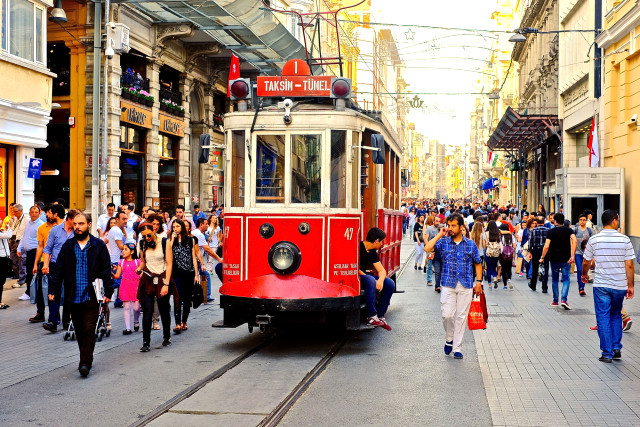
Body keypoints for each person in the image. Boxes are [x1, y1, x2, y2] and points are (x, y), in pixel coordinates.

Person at [48, 212, 114, 377]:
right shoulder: (68, 246)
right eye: (75, 224)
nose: (77, 227)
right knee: (79, 330)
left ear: (89, 224)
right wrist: (53, 290)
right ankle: (85, 357)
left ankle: (85, 363)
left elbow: (106, 269)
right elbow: (58, 270)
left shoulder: (98, 245)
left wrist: (108, 291)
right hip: (73, 296)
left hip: (91, 295)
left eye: (81, 224)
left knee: (89, 329)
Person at [425, 213, 483, 360]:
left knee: (461, 316)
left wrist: (479, 282)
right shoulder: (443, 242)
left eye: (453, 226)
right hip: (448, 283)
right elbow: (427, 248)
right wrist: (439, 235)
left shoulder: (470, 244)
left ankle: (457, 347)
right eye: (448, 225)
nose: (450, 228)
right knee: (447, 315)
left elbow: (477, 263)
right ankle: (449, 338)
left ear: (461, 227)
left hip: (466, 284)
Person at [582, 209, 635, 363]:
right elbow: (630, 265)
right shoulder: (625, 240)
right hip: (619, 285)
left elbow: (586, 261)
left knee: (603, 317)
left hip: (601, 285)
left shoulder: (594, 240)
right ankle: (616, 347)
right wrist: (630, 286)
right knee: (616, 315)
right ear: (614, 220)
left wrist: (584, 274)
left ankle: (607, 353)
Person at [136, 223, 175, 351]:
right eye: (143, 236)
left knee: (163, 310)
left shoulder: (164, 242)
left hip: (162, 279)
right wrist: (139, 268)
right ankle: (146, 343)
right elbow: (143, 261)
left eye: (148, 235)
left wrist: (166, 284)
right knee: (147, 311)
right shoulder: (142, 244)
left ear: (154, 230)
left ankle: (166, 337)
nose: (147, 238)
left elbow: (169, 264)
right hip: (148, 279)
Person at [41, 209, 77, 332]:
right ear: (70, 219)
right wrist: (45, 264)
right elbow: (47, 249)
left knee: (69, 293)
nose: (77, 224)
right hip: (55, 264)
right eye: (75, 222)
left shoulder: (77, 232)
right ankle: (53, 321)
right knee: (53, 292)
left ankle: (67, 320)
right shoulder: (55, 230)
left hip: (71, 266)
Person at [29, 204, 64, 324]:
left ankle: (61, 318)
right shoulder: (42, 228)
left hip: (60, 264)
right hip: (46, 263)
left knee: (59, 291)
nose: (46, 215)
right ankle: (45, 315)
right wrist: (36, 264)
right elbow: (41, 247)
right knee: (45, 290)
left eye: (48, 213)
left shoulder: (63, 228)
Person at [359, 227, 395, 330]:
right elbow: (355, 268)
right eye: (381, 242)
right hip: (355, 275)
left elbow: (382, 270)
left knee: (389, 283)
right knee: (370, 280)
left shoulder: (372, 251)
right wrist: (370, 279)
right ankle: (371, 316)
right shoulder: (358, 247)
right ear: (376, 241)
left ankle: (380, 316)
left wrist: (380, 280)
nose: (382, 244)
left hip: (364, 276)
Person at [168, 219, 199, 333]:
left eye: (177, 226)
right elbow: (168, 253)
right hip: (176, 273)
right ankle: (177, 323)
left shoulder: (191, 240)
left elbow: (193, 257)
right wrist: (172, 240)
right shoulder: (171, 240)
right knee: (177, 297)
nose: (175, 229)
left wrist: (196, 274)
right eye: (174, 227)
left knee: (187, 298)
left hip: (189, 272)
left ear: (182, 227)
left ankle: (184, 321)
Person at [540, 213, 577, 309]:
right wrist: (572, 255)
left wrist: (542, 257)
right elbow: (575, 240)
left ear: (555, 221)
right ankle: (564, 299)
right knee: (566, 279)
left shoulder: (551, 231)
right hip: (566, 258)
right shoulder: (569, 230)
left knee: (555, 279)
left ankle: (555, 300)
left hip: (554, 258)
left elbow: (546, 246)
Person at [16, 206, 44, 301]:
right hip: (28, 252)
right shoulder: (28, 223)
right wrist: (19, 248)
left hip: (35, 251)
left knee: (32, 273)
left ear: (39, 213)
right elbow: (24, 236)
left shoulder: (41, 224)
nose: (34, 214)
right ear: (29, 213)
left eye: (36, 212)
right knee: (29, 273)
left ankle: (30, 293)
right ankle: (30, 292)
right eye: (32, 212)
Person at [112, 243, 141, 335]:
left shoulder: (138, 262)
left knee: (136, 307)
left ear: (132, 252)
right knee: (126, 307)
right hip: (125, 285)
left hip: (136, 285)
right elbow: (117, 276)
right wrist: (112, 273)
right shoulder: (121, 262)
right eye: (123, 249)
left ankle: (136, 321)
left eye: (125, 249)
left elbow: (141, 274)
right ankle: (128, 328)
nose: (123, 251)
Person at [107, 211, 127, 310]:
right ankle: (104, 294)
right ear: (117, 220)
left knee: (120, 281)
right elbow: (120, 246)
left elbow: (106, 241)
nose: (125, 221)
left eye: (126, 218)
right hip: (116, 260)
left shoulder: (117, 230)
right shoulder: (116, 230)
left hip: (116, 259)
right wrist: (131, 247)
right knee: (117, 282)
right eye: (123, 219)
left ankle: (118, 301)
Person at [573, 213, 594, 297]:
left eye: (584, 220)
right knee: (579, 269)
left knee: (585, 270)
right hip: (578, 253)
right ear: (578, 221)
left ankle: (582, 285)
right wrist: (572, 254)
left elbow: (592, 242)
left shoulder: (589, 231)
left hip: (587, 253)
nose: (582, 221)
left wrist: (593, 254)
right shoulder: (575, 230)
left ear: (586, 220)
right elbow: (572, 242)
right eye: (581, 220)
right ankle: (581, 288)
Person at [528, 215, 549, 293]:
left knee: (535, 268)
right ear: (544, 222)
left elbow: (530, 242)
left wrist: (530, 251)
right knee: (545, 268)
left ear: (536, 222)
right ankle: (544, 287)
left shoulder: (533, 231)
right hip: (545, 251)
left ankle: (533, 285)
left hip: (536, 250)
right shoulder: (548, 230)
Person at [483, 221, 501, 289]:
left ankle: (489, 284)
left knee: (488, 268)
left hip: (488, 252)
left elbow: (484, 245)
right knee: (494, 267)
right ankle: (495, 278)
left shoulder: (485, 234)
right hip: (495, 253)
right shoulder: (498, 234)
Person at [0, 220, 14, 309]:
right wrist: (11, 226)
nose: (1, 221)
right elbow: (9, 235)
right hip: (0, 258)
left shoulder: (1, 231)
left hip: (4, 258)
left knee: (2, 280)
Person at [499, 223, 515, 290]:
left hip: (503, 254)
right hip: (510, 255)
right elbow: (514, 246)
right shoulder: (512, 236)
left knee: (503, 269)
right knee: (509, 268)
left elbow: (499, 246)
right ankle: (509, 279)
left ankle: (505, 285)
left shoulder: (501, 236)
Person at [423, 216, 439, 285]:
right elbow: (426, 239)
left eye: (439, 221)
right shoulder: (429, 229)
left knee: (438, 267)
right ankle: (429, 280)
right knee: (429, 265)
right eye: (437, 221)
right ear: (433, 221)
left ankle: (438, 283)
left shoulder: (440, 229)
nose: (438, 223)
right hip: (431, 250)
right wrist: (428, 248)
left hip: (438, 250)